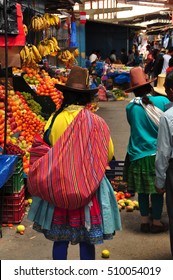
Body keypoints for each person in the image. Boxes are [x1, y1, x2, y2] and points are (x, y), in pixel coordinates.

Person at [27, 66, 121, 260]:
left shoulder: (54, 119)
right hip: (89, 188)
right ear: (87, 98)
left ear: (66, 95)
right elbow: (108, 153)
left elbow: (46, 148)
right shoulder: (96, 122)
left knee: (60, 238)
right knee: (87, 238)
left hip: (59, 186)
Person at [124, 66, 170, 234]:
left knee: (142, 190)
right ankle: (156, 222)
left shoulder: (130, 107)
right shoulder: (162, 102)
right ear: (150, 86)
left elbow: (133, 125)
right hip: (156, 154)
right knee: (158, 191)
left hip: (137, 154)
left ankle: (144, 221)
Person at [155, 71, 173, 257]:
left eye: (167, 91)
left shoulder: (168, 117)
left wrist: (160, 181)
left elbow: (163, 152)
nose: (167, 95)